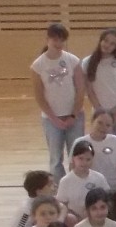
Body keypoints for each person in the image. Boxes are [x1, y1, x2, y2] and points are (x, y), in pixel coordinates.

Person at [30, 21, 85, 174]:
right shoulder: (38, 65)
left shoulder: (73, 60)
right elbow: (39, 96)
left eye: (62, 40)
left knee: (77, 155)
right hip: (51, 119)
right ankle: (58, 187)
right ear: (47, 39)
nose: (58, 43)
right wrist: (54, 119)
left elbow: (80, 90)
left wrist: (73, 115)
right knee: (55, 159)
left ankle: (76, 183)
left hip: (75, 116)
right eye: (55, 39)